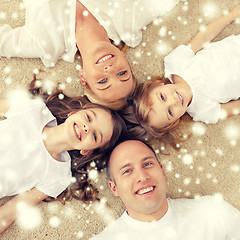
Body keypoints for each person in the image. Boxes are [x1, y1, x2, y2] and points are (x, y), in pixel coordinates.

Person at [0, 0, 180, 109]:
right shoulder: (129, 22)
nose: (110, 70)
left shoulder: (45, 46)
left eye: (102, 81)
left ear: (83, 77)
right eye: (122, 73)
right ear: (125, 59)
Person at [0, 87, 126, 233]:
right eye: (89, 118)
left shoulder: (59, 176)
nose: (87, 127)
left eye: (95, 136)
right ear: (73, 113)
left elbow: (11, 211)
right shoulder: (35, 110)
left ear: (87, 151)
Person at [124, 4, 240, 139]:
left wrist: (232, 15)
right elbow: (234, 107)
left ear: (157, 85)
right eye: (170, 112)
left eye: (162, 97)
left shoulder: (176, 63)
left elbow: (204, 37)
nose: (173, 101)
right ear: (175, 121)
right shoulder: (202, 111)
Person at [90, 140, 240, 239]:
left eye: (147, 164)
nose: (142, 177)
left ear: (161, 169)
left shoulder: (212, 213)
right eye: (127, 171)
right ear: (114, 188)